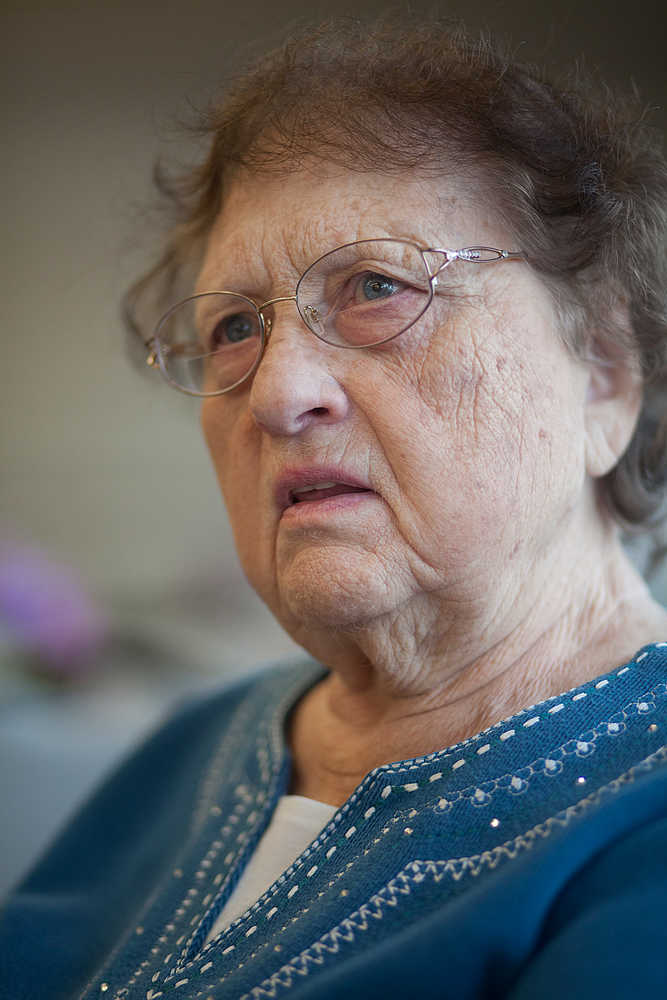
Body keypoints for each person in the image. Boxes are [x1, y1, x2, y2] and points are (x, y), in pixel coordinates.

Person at [2, 15, 667, 1000]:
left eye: (376, 286)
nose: (276, 393)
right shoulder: (191, 749)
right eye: (234, 327)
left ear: (604, 378)